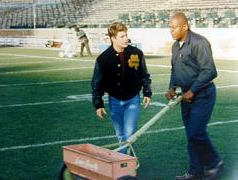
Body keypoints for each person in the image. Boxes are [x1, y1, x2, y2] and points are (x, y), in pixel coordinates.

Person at [166, 12, 223, 180]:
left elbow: (210, 71)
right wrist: (172, 87)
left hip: (203, 95)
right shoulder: (175, 46)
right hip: (186, 96)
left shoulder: (200, 42)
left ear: (185, 26)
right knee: (191, 135)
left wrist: (193, 90)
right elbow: (175, 70)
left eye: (174, 28)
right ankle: (195, 172)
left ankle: (214, 162)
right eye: (170, 27)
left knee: (196, 132)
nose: (171, 31)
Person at [91, 22, 152, 154]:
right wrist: (98, 104)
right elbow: (97, 82)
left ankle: (123, 165)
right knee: (121, 135)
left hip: (132, 100)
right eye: (122, 36)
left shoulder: (136, 53)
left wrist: (147, 92)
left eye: (126, 35)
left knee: (129, 134)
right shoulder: (103, 59)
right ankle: (125, 162)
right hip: (114, 101)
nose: (126, 39)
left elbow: (144, 74)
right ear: (113, 38)